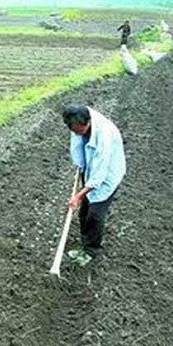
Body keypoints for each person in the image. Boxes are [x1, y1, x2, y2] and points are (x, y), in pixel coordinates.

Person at [62, 105, 126, 263]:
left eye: (79, 131)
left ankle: (91, 250)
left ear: (88, 123)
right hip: (92, 168)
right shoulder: (78, 120)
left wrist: (78, 195)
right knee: (84, 211)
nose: (76, 133)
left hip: (107, 175)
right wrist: (81, 168)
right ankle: (85, 241)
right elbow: (79, 146)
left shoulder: (104, 135)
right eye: (74, 131)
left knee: (95, 214)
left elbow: (100, 173)